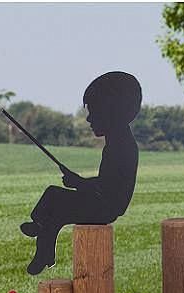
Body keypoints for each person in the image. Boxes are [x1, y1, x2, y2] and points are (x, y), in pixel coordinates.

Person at [21, 71, 142, 275]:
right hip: (104, 202)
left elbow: (108, 187)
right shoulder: (118, 142)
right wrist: (80, 183)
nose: (88, 118)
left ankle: (43, 243)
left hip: (107, 207)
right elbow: (107, 183)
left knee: (56, 202)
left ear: (111, 112)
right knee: (54, 200)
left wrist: (78, 182)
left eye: (94, 112)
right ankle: (42, 239)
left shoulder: (121, 147)